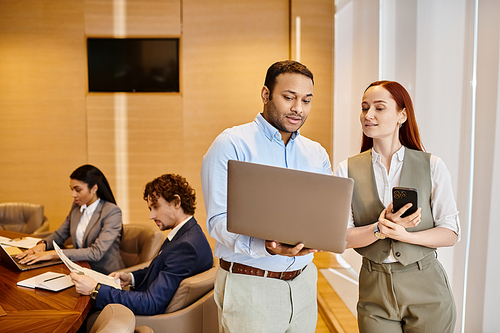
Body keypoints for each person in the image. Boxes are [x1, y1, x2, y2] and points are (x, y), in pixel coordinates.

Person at [201, 60, 332, 332]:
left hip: (304, 284)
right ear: (265, 94)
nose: (298, 108)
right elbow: (217, 221)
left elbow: (324, 214)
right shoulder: (232, 144)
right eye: (289, 97)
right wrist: (266, 247)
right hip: (251, 286)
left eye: (307, 100)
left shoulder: (316, 153)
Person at [334, 80, 460, 332]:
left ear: (402, 115)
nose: (368, 115)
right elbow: (342, 238)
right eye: (364, 108)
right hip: (374, 289)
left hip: (427, 288)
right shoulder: (346, 169)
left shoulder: (432, 165)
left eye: (379, 108)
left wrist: (405, 236)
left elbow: (450, 233)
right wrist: (380, 228)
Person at [70, 173, 213, 316]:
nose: (151, 216)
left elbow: (150, 303)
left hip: (148, 319)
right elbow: (162, 270)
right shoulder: (188, 233)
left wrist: (95, 289)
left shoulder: (186, 247)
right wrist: (131, 277)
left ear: (176, 202)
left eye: (155, 207)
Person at [17, 164, 125, 275]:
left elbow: (96, 253)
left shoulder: (112, 212)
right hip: (79, 269)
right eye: (72, 189)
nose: (73, 194)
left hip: (105, 274)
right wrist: (43, 244)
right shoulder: (77, 206)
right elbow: (60, 235)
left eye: (78, 190)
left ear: (94, 188)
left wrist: (54, 254)